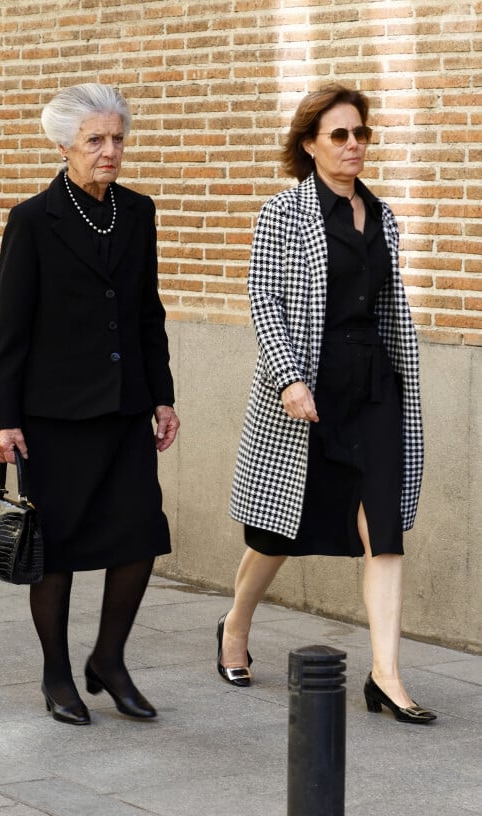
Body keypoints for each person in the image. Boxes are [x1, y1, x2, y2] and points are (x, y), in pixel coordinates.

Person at [223, 83, 435, 724]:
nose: (354, 145)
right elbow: (265, 302)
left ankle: (387, 675)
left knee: (385, 531)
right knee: (276, 531)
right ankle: (235, 625)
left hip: (375, 388)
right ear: (309, 144)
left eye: (361, 133)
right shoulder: (282, 213)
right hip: (308, 388)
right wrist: (288, 378)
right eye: (339, 135)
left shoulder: (384, 216)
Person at [0, 83, 180, 726]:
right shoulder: (33, 220)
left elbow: (146, 313)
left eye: (117, 138)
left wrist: (163, 396)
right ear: (65, 144)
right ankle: (56, 673)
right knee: (59, 550)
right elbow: (10, 330)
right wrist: (4, 418)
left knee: (139, 536)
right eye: (96, 140)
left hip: (125, 409)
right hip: (53, 416)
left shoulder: (138, 211)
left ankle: (109, 658)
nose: (110, 151)